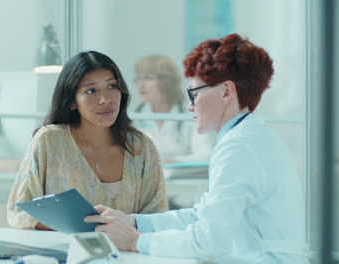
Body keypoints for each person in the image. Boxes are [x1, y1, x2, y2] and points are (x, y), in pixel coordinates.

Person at [85, 34, 309, 263]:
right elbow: (199, 215)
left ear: (226, 92)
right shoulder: (250, 137)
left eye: (194, 93)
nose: (189, 105)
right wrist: (132, 222)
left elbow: (207, 242)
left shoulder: (239, 146)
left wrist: (135, 240)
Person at [7, 50, 169, 230]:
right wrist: (82, 227)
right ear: (72, 101)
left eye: (112, 86)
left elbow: (158, 217)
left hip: (128, 254)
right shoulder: (49, 140)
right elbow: (19, 212)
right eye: (91, 90)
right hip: (65, 254)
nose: (105, 99)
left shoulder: (141, 147)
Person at [133, 55, 214, 164]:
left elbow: (206, 156)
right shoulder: (135, 118)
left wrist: (175, 162)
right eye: (138, 78)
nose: (140, 85)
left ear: (166, 82)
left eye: (147, 78)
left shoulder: (189, 116)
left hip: (181, 179)